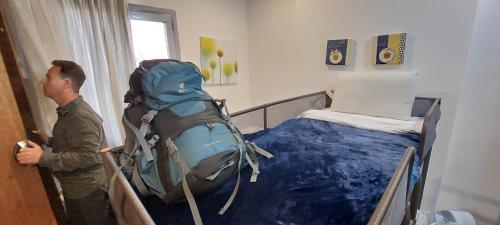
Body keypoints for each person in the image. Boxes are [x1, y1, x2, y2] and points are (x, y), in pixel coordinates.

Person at [16, 60, 116, 225]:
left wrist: (42, 158)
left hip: (88, 194)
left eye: (49, 77)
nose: (43, 81)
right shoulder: (69, 113)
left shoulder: (79, 115)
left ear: (66, 83)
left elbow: (89, 156)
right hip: (79, 191)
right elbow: (74, 144)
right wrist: (48, 140)